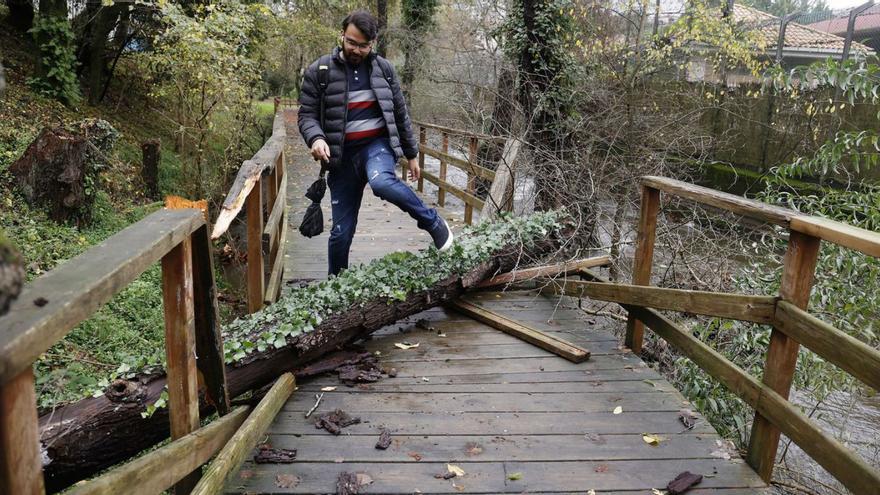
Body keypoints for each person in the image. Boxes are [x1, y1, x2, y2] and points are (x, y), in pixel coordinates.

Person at [298, 10, 453, 276]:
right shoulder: (319, 71)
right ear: (342, 35)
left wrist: (412, 153)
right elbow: (306, 115)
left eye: (363, 45)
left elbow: (400, 113)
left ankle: (433, 222)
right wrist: (316, 138)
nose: (356, 49)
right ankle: (336, 289)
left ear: (373, 43)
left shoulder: (384, 70)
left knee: (382, 182)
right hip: (341, 158)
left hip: (376, 147)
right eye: (351, 42)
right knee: (340, 234)